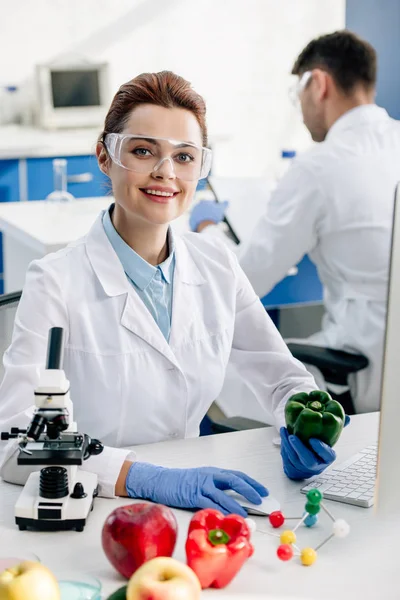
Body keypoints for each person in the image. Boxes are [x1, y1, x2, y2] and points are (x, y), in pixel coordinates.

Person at [0, 71, 337, 517]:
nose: (166, 173)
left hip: (197, 500)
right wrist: (144, 476)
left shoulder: (216, 264)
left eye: (184, 157)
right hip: (92, 503)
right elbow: (14, 440)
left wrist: (300, 417)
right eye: (143, 151)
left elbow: (281, 375)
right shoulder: (55, 282)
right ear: (105, 156)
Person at [190, 30, 400, 414]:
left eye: (298, 94)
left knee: (218, 374)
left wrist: (208, 230)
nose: (301, 109)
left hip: (367, 365)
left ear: (317, 83)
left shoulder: (319, 166)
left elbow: (248, 278)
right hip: (387, 360)